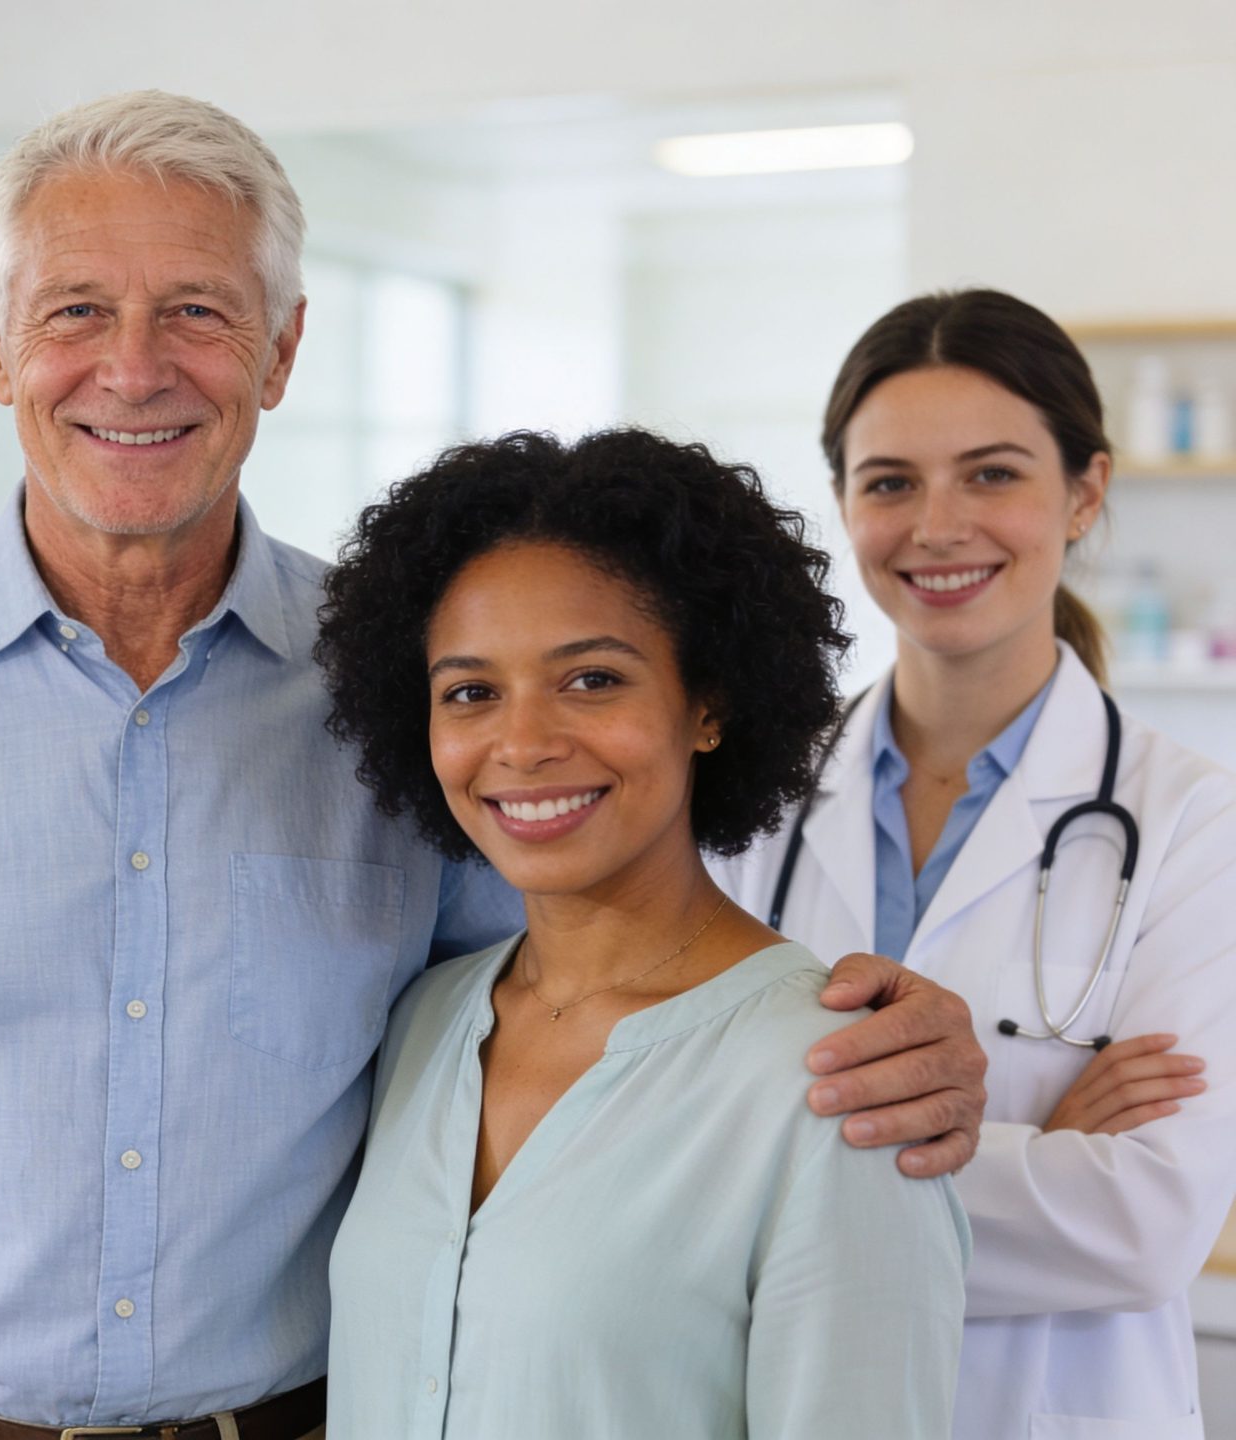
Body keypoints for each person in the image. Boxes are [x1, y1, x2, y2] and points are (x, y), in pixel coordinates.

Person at [0, 90, 987, 1440]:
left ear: (281, 350)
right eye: (77, 310)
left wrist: (855, 1030)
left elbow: (590, 976)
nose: (136, 366)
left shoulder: (407, 702)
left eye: (199, 311)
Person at [315, 428, 969, 1437]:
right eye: (470, 692)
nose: (523, 743)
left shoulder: (838, 1083)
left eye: (592, 680)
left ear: (707, 702)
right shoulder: (421, 1025)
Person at [715, 288, 1236, 1439]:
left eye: (992, 473)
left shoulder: (1194, 824)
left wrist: (786, 1168)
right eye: (889, 481)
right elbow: (672, 1146)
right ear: (844, 504)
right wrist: (1044, 1157)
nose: (937, 526)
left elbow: (1149, 1224)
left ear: (1084, 492)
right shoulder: (749, 804)